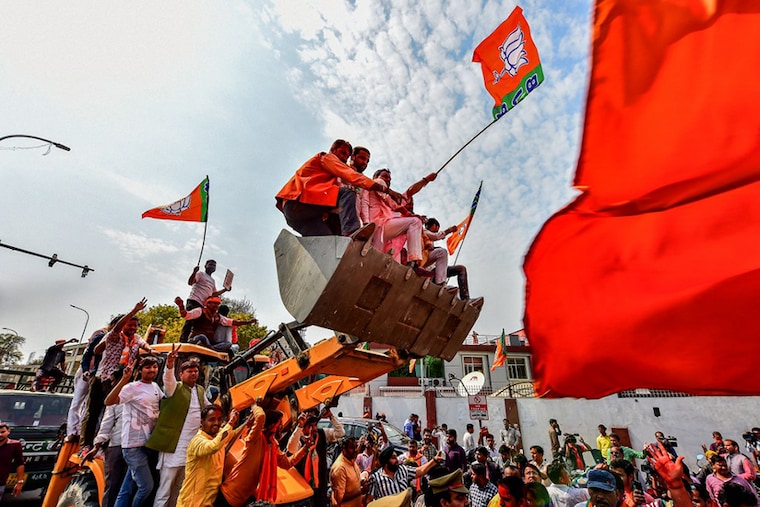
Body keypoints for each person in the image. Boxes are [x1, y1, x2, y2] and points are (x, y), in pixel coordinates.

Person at [276, 139, 401, 237]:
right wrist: (387, 190)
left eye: (346, 155)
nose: (343, 158)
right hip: (297, 202)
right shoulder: (326, 157)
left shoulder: (333, 176)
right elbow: (353, 177)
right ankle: (351, 232)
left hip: (299, 217)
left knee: (330, 243)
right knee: (347, 193)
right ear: (333, 150)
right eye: (342, 153)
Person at [80, 298, 151, 450]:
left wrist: (151, 351)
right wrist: (134, 310)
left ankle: (103, 444)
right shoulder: (114, 336)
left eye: (135, 326)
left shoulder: (136, 340)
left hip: (121, 381)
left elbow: (144, 345)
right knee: (93, 412)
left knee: (112, 413)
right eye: (129, 324)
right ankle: (86, 445)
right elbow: (96, 350)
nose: (133, 328)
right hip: (103, 378)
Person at [146, 350, 207, 507]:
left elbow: (209, 409)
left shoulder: (200, 390)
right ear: (181, 375)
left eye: (195, 371)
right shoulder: (174, 388)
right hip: (172, 448)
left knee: (180, 490)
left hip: (190, 450)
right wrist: (170, 363)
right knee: (165, 490)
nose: (193, 374)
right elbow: (168, 378)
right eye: (189, 371)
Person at [218, 407, 308, 507]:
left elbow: (287, 464)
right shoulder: (255, 438)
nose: (281, 426)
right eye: (279, 423)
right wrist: (256, 406)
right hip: (227, 495)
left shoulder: (272, 445)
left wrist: (305, 448)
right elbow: (260, 416)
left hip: (241, 500)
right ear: (272, 425)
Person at [107, 356, 163, 507]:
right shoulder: (131, 388)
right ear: (140, 370)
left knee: (127, 488)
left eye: (154, 367)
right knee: (146, 487)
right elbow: (109, 401)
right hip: (133, 445)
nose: (152, 370)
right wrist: (124, 379)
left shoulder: (156, 387)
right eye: (147, 367)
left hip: (149, 444)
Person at [175, 406, 240, 507]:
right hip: (191, 503)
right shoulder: (197, 441)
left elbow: (232, 434)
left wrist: (249, 420)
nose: (216, 423)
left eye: (219, 419)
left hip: (209, 502)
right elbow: (213, 446)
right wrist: (230, 423)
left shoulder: (218, 435)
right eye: (212, 419)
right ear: (202, 422)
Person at [361, 168, 425, 266]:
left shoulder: (381, 192)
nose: (387, 180)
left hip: (379, 229)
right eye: (385, 176)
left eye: (389, 179)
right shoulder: (378, 182)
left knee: (374, 262)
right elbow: (392, 203)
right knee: (415, 222)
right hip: (379, 225)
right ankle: (413, 259)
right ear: (376, 177)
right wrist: (409, 214)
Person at [287, 409, 346, 507]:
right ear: (304, 428)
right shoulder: (299, 438)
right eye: (310, 426)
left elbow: (340, 433)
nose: (314, 428)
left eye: (315, 425)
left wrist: (331, 417)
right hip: (302, 488)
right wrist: (299, 426)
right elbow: (291, 448)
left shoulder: (322, 434)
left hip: (320, 486)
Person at [67, 321, 113, 440]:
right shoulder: (101, 335)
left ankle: (82, 431)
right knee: (77, 401)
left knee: (89, 404)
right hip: (86, 371)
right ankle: (72, 431)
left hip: (98, 374)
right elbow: (88, 354)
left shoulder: (119, 340)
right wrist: (86, 369)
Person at [175, 296, 256, 352]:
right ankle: (209, 347)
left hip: (210, 344)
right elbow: (186, 315)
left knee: (228, 344)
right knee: (202, 337)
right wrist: (181, 306)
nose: (216, 306)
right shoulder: (200, 311)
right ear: (208, 304)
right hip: (196, 339)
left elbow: (233, 322)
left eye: (218, 304)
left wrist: (248, 322)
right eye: (214, 303)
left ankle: (211, 348)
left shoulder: (218, 317)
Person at [365, 445, 443, 502]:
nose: (397, 460)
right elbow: (369, 500)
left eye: (396, 457)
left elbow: (420, 471)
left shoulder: (402, 469)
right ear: (386, 462)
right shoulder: (376, 478)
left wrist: (434, 460)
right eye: (393, 458)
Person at [180, 260, 229, 343]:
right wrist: (194, 272)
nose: (212, 266)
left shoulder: (212, 281)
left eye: (214, 265)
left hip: (203, 305)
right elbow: (190, 282)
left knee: (199, 323)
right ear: (205, 266)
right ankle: (182, 340)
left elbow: (214, 294)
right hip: (194, 300)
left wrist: (225, 290)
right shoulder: (200, 274)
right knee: (190, 320)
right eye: (210, 265)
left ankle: (193, 340)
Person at [87, 400, 126, 507]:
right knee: (113, 486)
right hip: (118, 447)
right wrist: (96, 447)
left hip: (130, 447)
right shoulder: (114, 402)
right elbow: (105, 427)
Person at [421, 218, 470, 299]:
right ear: (433, 226)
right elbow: (436, 236)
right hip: (427, 270)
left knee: (461, 269)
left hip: (436, 271)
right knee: (442, 252)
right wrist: (449, 230)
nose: (437, 231)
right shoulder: (424, 232)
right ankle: (440, 284)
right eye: (436, 229)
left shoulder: (433, 246)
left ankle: (466, 298)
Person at [330, 436, 364, 507]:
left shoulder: (351, 460)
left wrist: (361, 482)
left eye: (356, 447)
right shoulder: (340, 468)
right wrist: (361, 491)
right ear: (344, 448)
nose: (355, 450)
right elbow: (339, 499)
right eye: (352, 448)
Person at [0, 422, 25, 498]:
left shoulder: (15, 445)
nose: (0, 435)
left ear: (8, 431)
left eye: (2, 432)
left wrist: (19, 482)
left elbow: (20, 463)